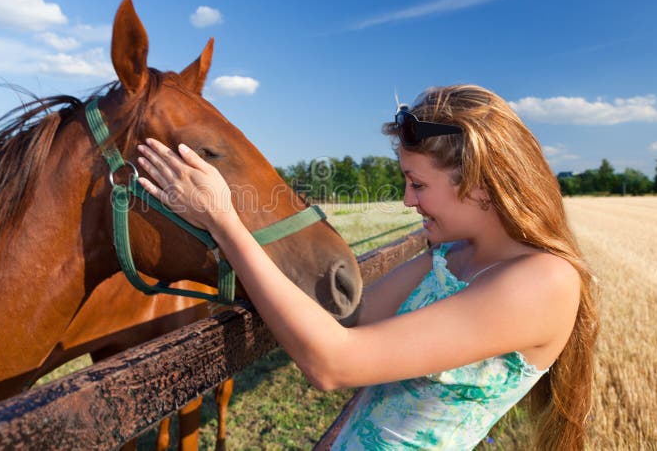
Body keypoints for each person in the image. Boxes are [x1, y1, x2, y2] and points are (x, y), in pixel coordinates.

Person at [136, 84, 598, 450]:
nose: (407, 199)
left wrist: (224, 222)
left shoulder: (545, 282)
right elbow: (343, 321)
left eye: (417, 184)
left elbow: (333, 362)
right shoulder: (449, 259)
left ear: (480, 186)